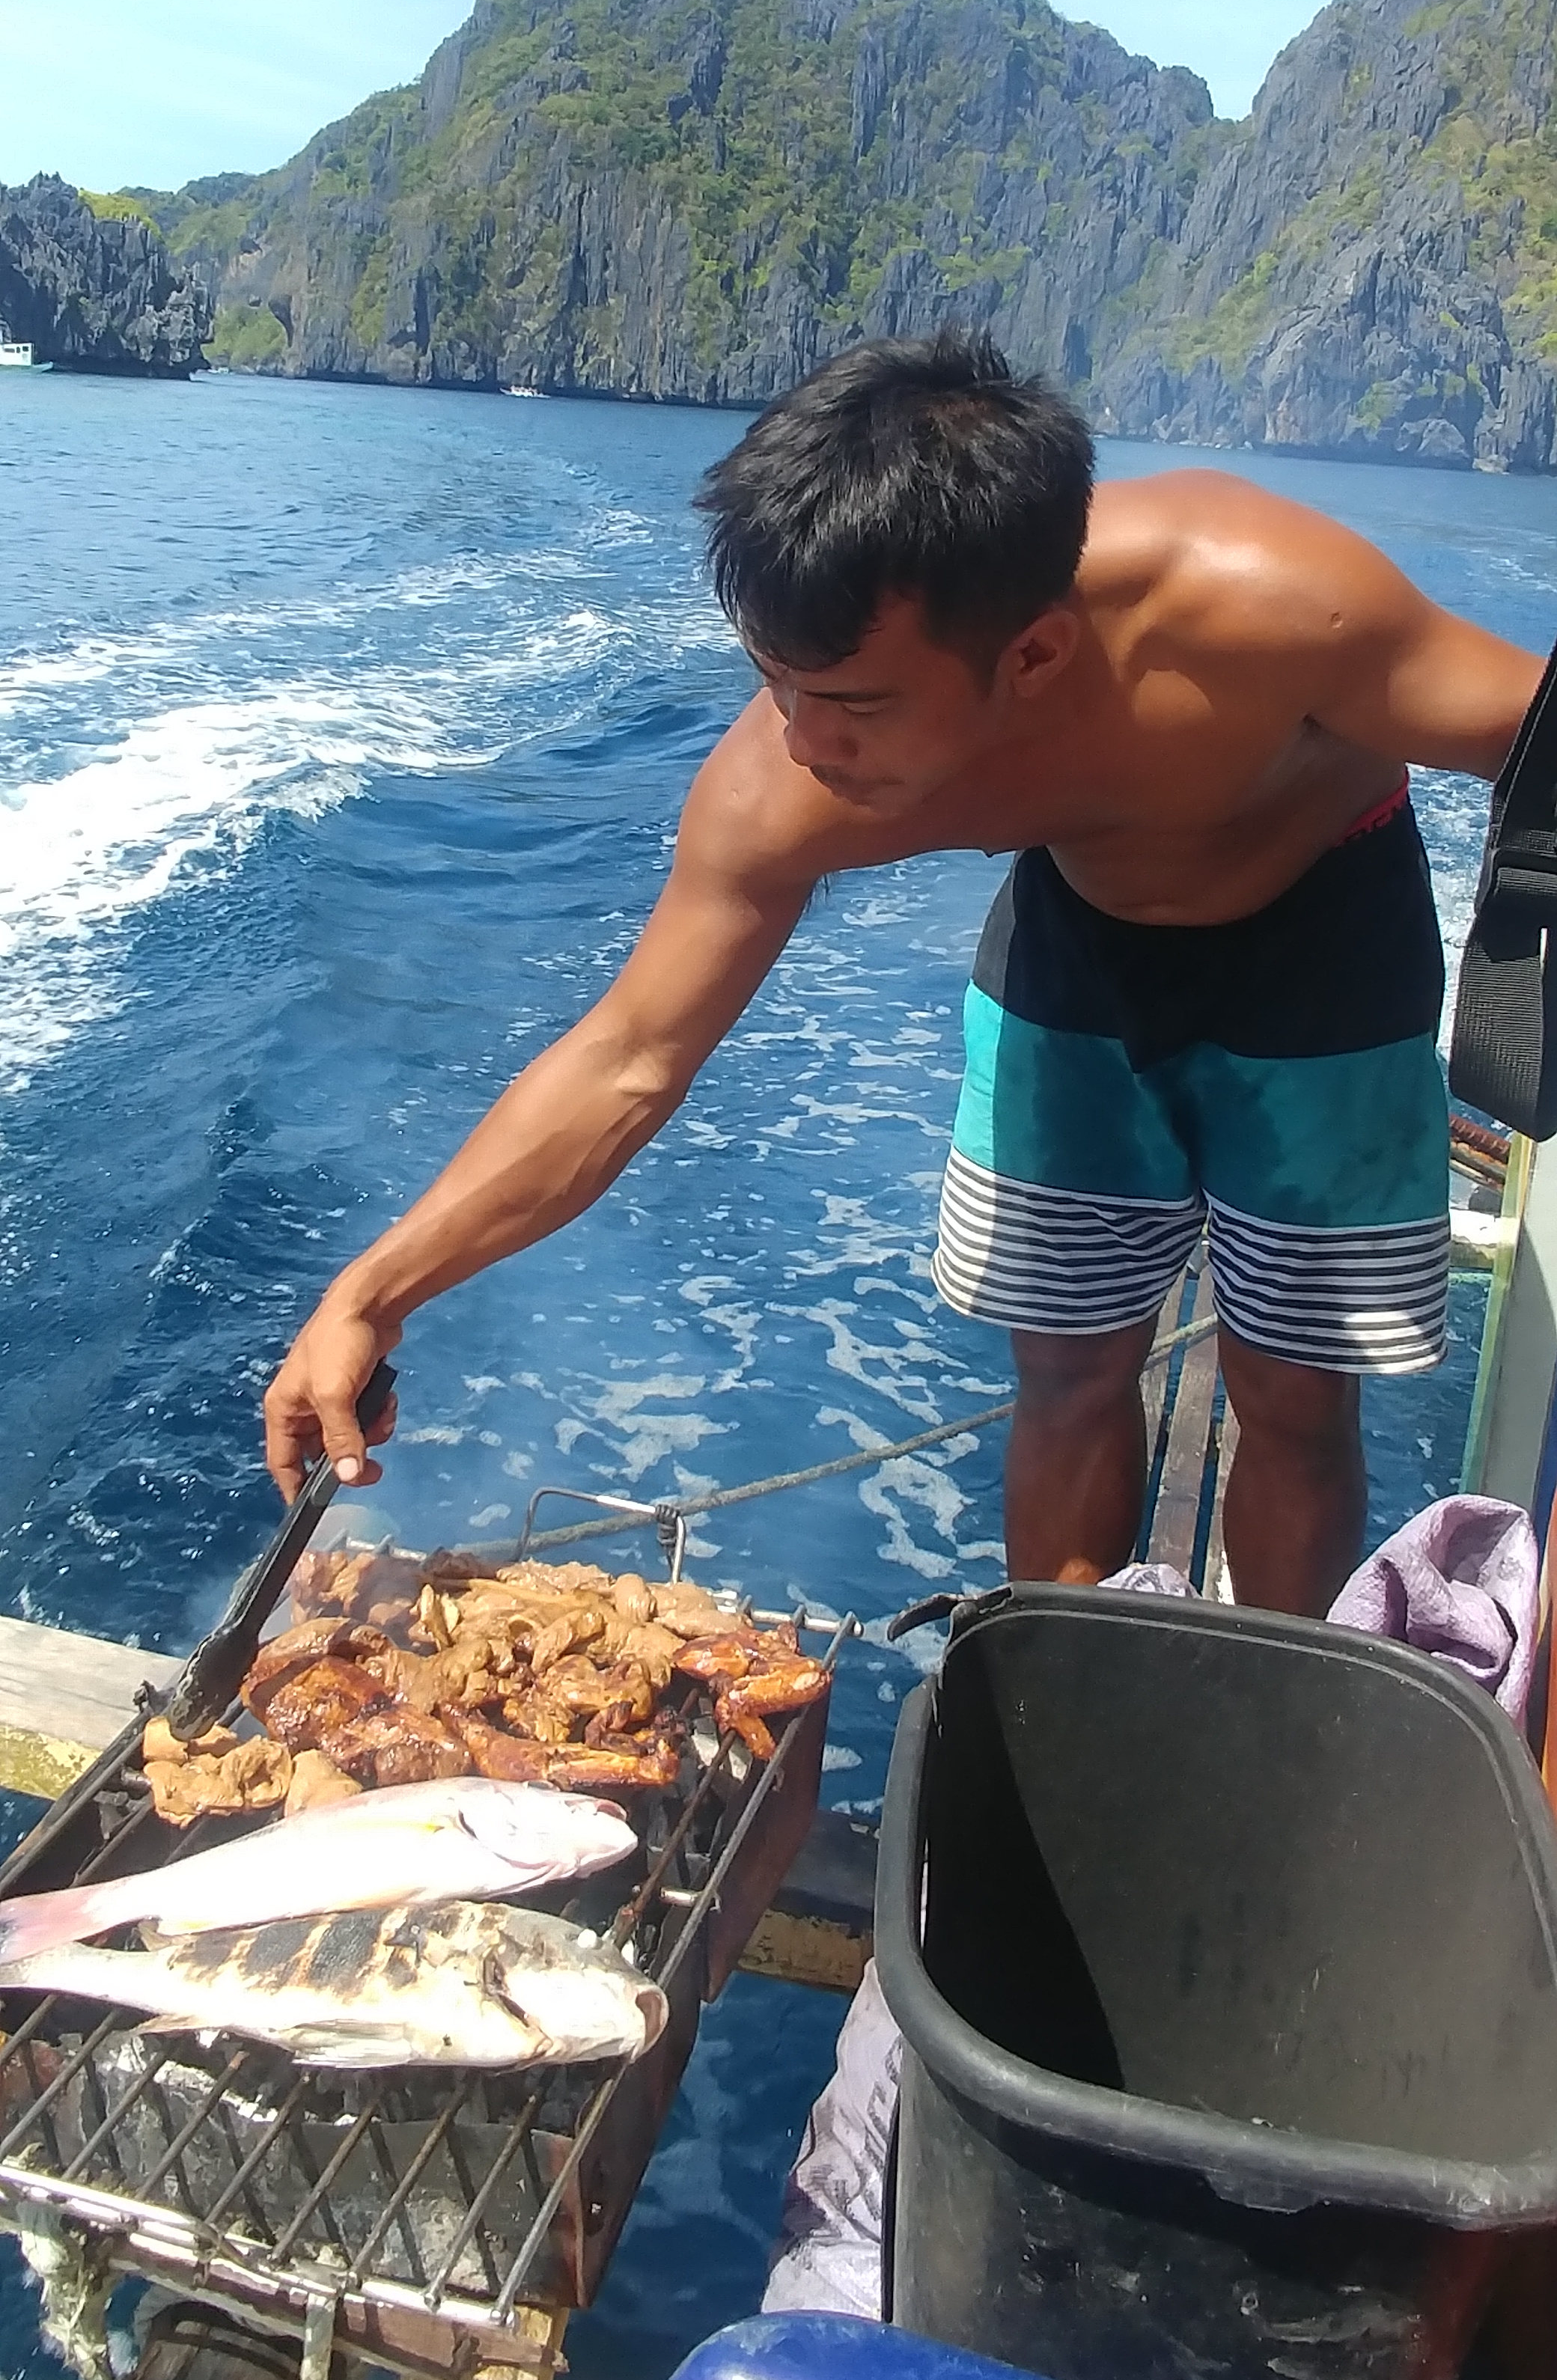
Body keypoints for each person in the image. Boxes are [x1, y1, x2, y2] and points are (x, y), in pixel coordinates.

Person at [263, 332, 1541, 1617]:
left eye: (855, 703)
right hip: (1084, 945)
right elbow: (630, 1058)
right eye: (774, 680)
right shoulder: (779, 784)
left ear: (1033, 656)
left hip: (1324, 948)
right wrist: (374, 1292)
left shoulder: (1269, 607)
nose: (802, 743)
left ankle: (1284, 1688)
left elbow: (1535, 739)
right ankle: (1063, 1693)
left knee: (1297, 1395)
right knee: (1068, 1374)